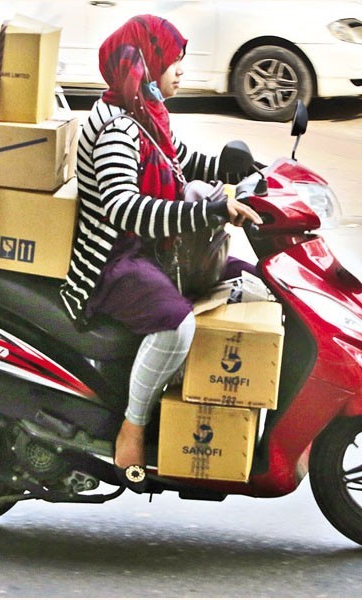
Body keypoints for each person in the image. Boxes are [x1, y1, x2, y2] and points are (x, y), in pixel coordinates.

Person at [60, 15, 262, 491]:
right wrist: (209, 211)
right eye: (172, 60)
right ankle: (134, 426)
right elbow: (124, 208)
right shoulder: (114, 126)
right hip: (113, 257)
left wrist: (243, 170)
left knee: (249, 282)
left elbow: (178, 160)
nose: (180, 69)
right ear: (145, 63)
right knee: (177, 323)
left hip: (153, 248)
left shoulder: (144, 114)